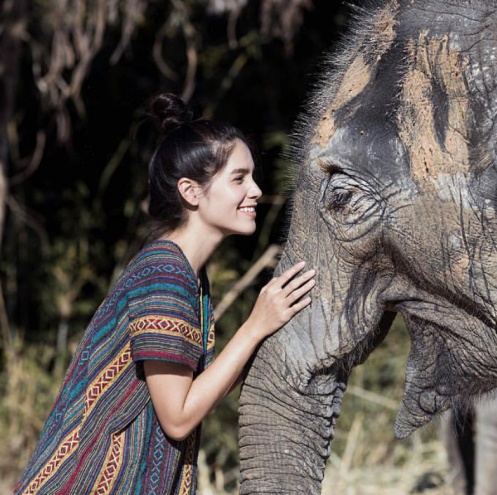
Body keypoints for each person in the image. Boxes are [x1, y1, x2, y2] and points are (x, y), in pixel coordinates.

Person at [14, 92, 316, 494]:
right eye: (239, 178)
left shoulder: (187, 276)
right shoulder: (165, 276)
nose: (257, 190)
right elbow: (178, 416)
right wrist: (254, 327)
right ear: (191, 192)